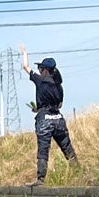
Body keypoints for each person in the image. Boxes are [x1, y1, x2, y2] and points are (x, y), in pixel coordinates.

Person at [20, 43, 78, 184]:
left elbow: (25, 67)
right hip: (58, 119)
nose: (39, 70)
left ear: (45, 70)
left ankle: (40, 180)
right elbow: (59, 105)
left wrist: (24, 53)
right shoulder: (59, 86)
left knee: (43, 150)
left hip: (44, 119)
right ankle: (79, 173)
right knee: (67, 148)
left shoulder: (40, 80)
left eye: (40, 68)